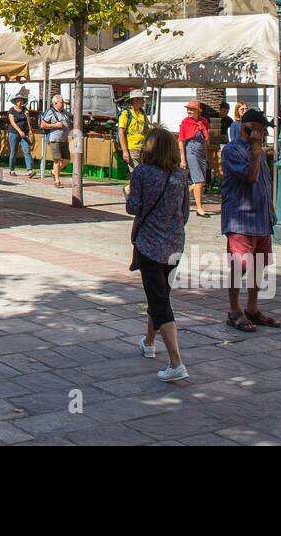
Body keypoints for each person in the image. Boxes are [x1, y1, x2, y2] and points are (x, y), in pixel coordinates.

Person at [125, 126, 190, 382]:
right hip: (174, 244)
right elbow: (184, 213)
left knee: (160, 301)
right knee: (161, 294)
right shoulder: (181, 176)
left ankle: (176, 361)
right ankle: (149, 342)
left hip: (149, 244)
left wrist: (127, 195)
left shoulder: (141, 173)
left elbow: (134, 208)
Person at [220, 108, 281, 333]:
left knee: (259, 264)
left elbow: (264, 183)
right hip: (241, 218)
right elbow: (251, 177)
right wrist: (256, 150)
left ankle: (252, 307)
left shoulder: (258, 151)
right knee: (240, 266)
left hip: (261, 219)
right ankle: (234, 310)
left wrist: (270, 210)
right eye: (261, 130)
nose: (264, 135)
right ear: (249, 128)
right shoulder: (233, 150)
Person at [179, 100, 210, 216]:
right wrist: (182, 159)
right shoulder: (185, 122)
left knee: (201, 182)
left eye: (191, 109)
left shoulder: (204, 122)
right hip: (191, 153)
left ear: (198, 111)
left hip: (201, 153)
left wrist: (207, 156)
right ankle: (199, 208)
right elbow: (181, 141)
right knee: (198, 180)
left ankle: (181, 196)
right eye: (188, 109)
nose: (189, 111)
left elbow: (205, 140)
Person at [39, 94, 73, 189]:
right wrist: (55, 125)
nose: (63, 105)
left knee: (67, 159)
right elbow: (42, 125)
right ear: (55, 103)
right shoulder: (50, 112)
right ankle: (57, 181)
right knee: (57, 160)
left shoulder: (65, 112)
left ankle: (54, 172)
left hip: (64, 139)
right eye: (62, 103)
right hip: (54, 139)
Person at [116, 89, 150, 167]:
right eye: (141, 99)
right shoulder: (125, 114)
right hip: (132, 149)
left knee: (142, 173)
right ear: (134, 100)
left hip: (143, 149)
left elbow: (147, 129)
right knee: (136, 173)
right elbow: (121, 133)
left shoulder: (142, 113)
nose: (143, 101)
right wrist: (125, 151)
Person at [6, 95, 33, 176]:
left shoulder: (25, 109)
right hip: (14, 133)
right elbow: (12, 122)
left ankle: (30, 170)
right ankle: (11, 169)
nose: (20, 102)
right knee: (13, 151)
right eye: (18, 100)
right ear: (15, 101)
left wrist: (28, 116)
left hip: (24, 133)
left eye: (21, 100)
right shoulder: (11, 110)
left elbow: (28, 121)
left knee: (27, 150)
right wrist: (19, 131)